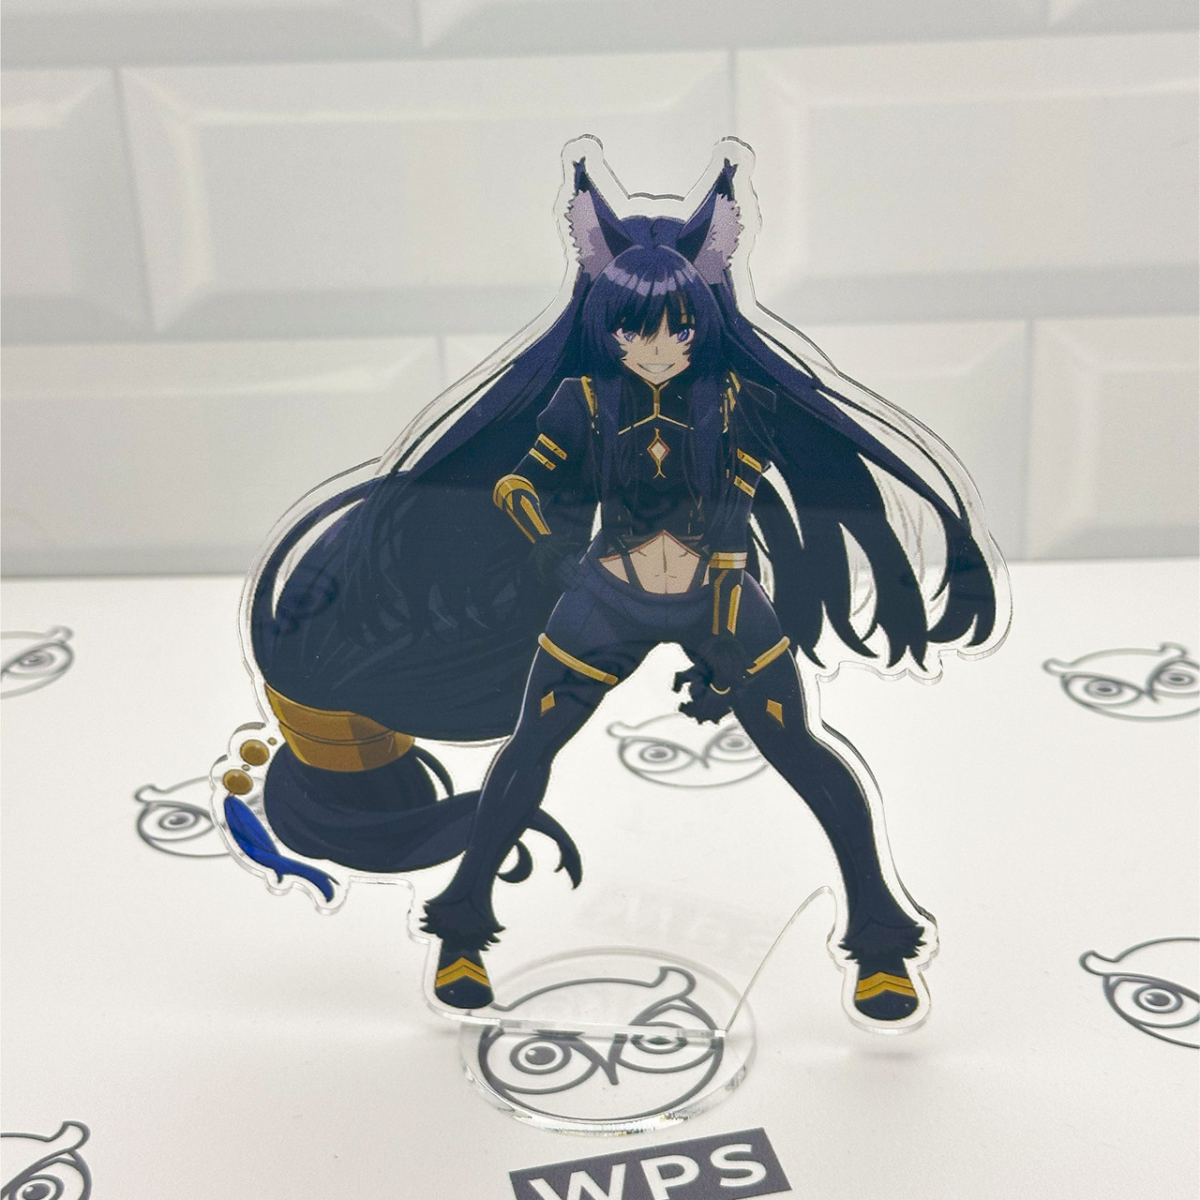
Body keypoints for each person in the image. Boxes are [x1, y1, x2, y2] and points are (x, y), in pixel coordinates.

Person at [224, 139, 1008, 1028]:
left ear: (704, 317)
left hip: (720, 603)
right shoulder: (583, 403)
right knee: (529, 755)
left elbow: (741, 513)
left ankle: (879, 942)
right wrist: (550, 554)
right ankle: (461, 931)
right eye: (634, 330)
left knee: (805, 755)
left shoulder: (735, 404)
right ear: (604, 324)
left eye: (678, 328)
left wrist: (731, 628)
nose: (657, 347)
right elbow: (519, 483)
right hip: (606, 600)